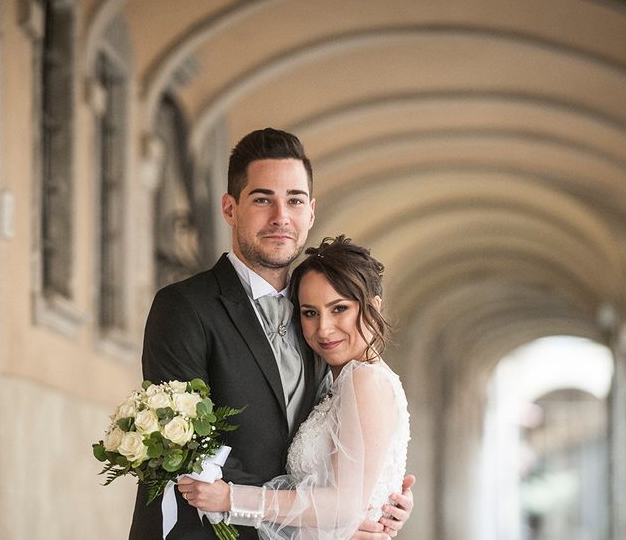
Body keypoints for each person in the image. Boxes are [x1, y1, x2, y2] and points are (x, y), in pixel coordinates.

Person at [128, 128, 414, 540]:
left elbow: (350, 445)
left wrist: (376, 503)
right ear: (230, 208)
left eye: (294, 200)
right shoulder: (184, 306)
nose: (281, 216)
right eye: (263, 199)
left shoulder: (320, 319)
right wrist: (331, 519)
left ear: (310, 212)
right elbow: (182, 447)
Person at [178, 235, 410, 540]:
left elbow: (343, 505)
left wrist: (229, 498)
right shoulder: (338, 379)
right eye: (310, 313)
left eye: (339, 309)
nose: (323, 329)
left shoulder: (365, 380)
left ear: (373, 306)